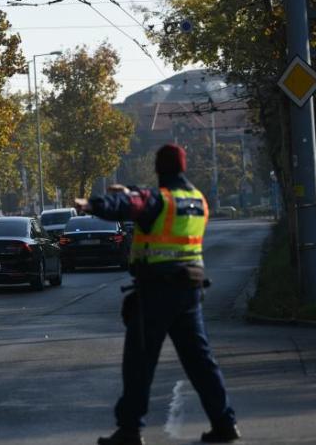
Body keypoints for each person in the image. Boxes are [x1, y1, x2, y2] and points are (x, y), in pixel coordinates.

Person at [74, 144, 240, 445]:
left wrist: (92, 204)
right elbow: (142, 199)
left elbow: (133, 205)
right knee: (201, 363)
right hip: (190, 291)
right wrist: (128, 191)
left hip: (156, 293)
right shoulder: (197, 200)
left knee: (138, 363)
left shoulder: (158, 199)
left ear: (159, 168)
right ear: (183, 167)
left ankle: (129, 430)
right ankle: (224, 423)